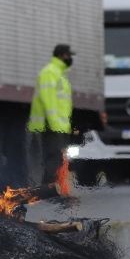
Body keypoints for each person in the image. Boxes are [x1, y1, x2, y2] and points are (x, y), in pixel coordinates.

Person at [28, 44, 75, 186]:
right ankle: (49, 189)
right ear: (61, 55)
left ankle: (55, 188)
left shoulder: (60, 74)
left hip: (59, 125)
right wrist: (55, 123)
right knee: (52, 159)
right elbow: (48, 100)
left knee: (58, 159)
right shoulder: (50, 72)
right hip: (51, 125)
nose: (70, 58)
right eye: (68, 55)